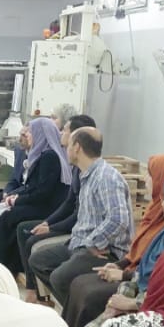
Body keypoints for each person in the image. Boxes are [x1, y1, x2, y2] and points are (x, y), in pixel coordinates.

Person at [62, 155, 164, 327]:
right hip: (135, 274)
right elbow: (141, 253)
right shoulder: (157, 211)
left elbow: (162, 275)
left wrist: (123, 275)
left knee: (88, 293)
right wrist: (119, 265)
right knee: (78, 283)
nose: (146, 179)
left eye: (151, 175)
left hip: (144, 287)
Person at [26, 127, 132, 310]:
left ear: (77, 148)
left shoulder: (106, 178)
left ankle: (78, 313)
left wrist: (93, 243)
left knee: (59, 278)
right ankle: (74, 309)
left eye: (68, 145)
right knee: (38, 260)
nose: (65, 149)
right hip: (80, 243)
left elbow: (118, 219)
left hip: (104, 251)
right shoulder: (86, 175)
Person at [14, 114, 97, 295]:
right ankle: (33, 290)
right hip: (73, 226)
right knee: (23, 228)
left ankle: (37, 294)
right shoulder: (77, 169)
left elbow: (79, 214)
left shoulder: (97, 175)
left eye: (64, 130)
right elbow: (69, 204)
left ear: (76, 141)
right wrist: (48, 223)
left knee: (33, 241)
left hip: (82, 234)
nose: (60, 133)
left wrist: (51, 227)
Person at [0, 116, 72, 273]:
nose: (29, 136)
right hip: (40, 203)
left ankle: (0, 266)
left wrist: (18, 201)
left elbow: (42, 193)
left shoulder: (50, 157)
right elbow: (31, 187)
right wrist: (15, 197)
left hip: (46, 207)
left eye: (32, 132)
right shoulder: (43, 155)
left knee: (7, 216)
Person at [0, 124, 31, 208]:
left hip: (25, 195)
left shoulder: (41, 157)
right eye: (20, 135)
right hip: (15, 192)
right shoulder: (20, 151)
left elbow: (30, 188)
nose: (20, 139)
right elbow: (14, 179)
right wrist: (6, 193)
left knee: (4, 210)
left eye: (24, 135)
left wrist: (12, 196)